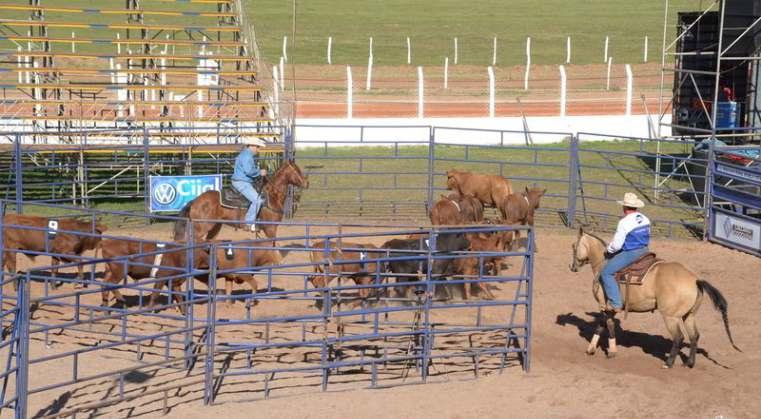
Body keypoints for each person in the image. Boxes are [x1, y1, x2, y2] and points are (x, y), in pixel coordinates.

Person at [600, 192, 651, 312]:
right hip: (645, 250)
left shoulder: (624, 222)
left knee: (606, 273)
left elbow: (617, 245)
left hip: (632, 253)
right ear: (636, 206)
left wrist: (608, 249)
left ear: (624, 207)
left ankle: (616, 303)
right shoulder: (645, 218)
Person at [231, 139, 268, 232]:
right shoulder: (247, 156)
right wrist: (260, 172)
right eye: (258, 147)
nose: (258, 150)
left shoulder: (246, 154)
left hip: (242, 180)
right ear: (252, 145)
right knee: (257, 200)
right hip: (241, 181)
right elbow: (248, 171)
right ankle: (248, 223)